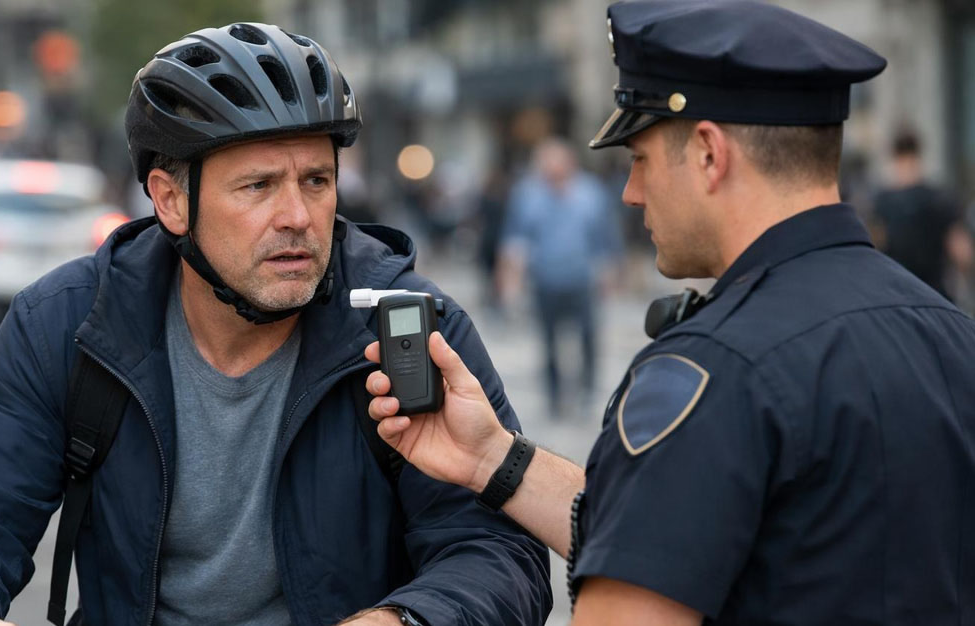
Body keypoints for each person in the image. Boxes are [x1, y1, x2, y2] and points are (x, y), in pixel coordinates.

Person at [0, 23, 551, 626]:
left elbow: (495, 553)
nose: (298, 215)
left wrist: (401, 621)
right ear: (171, 201)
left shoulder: (406, 329)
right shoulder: (68, 324)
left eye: (317, 181)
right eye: (258, 186)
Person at [365, 2, 975, 624]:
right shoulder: (953, 336)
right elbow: (691, 540)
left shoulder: (715, 371)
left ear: (709, 153)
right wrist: (492, 457)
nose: (629, 192)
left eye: (641, 158)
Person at [499, 138, 621, 416]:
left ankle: (587, 392)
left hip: (582, 280)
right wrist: (510, 282)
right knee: (549, 342)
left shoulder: (591, 193)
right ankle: (555, 397)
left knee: (588, 339)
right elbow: (515, 242)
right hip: (545, 281)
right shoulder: (527, 194)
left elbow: (605, 238)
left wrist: (610, 274)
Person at [872, 129, 965, 299]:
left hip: (897, 295)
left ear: (894, 155)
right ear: (919, 154)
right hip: (935, 296)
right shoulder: (939, 198)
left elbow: (875, 247)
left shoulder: (883, 201)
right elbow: (961, 252)